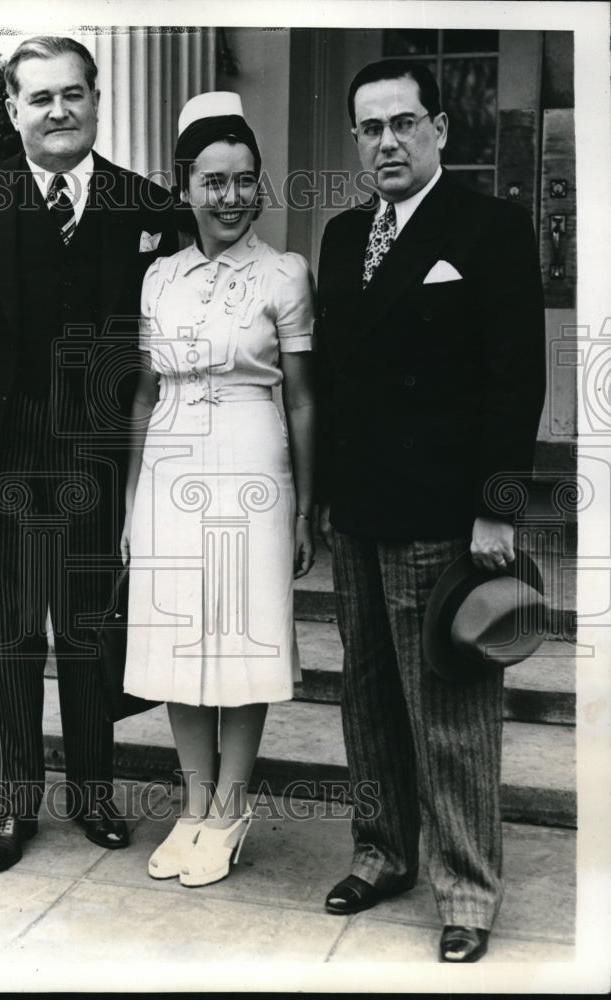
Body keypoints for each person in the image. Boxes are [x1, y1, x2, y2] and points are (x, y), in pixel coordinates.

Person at [0, 36, 176, 873]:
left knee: (92, 635)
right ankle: (7, 806)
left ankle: (95, 795)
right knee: (4, 634)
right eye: (39, 98)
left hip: (99, 449)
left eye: (72, 94)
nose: (58, 111)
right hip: (2, 444)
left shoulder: (145, 206)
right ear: (12, 110)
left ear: (96, 101)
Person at [315, 59, 545, 962]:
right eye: (369, 128)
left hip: (445, 513)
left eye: (403, 124)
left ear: (439, 131)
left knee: (449, 708)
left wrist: (496, 508)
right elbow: (333, 381)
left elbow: (515, 379)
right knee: (367, 702)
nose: (386, 143)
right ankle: (382, 854)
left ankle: (468, 891)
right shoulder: (340, 236)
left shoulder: (488, 227)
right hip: (359, 508)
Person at [121, 92, 316, 888]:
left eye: (243, 180)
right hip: (168, 460)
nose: (228, 197)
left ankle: (232, 808)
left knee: (237, 638)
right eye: (212, 181)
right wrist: (133, 500)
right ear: (185, 187)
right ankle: (193, 804)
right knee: (178, 639)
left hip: (249, 458)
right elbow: (140, 393)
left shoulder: (284, 273)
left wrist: (305, 503)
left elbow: (302, 396)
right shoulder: (158, 276)